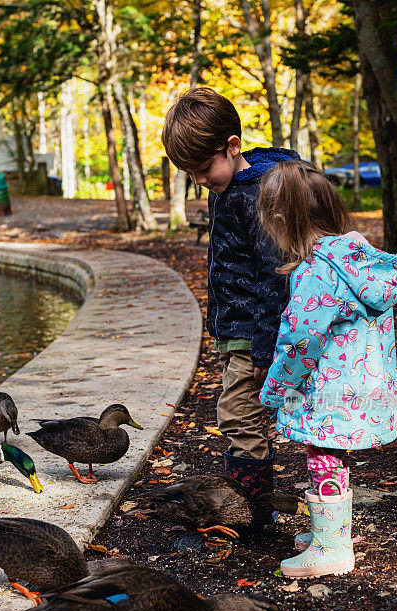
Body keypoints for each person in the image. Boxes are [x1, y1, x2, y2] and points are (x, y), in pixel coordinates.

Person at [257, 160, 397, 578]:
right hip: (361, 383)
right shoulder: (359, 262)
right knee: (330, 455)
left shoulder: (317, 272)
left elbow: (300, 340)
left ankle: (332, 548)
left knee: (321, 457)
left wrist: (276, 387)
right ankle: (330, 532)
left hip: (328, 388)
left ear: (283, 219)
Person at [161, 87, 299, 497]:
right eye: (190, 174)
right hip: (237, 325)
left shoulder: (256, 193)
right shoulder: (231, 186)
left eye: (203, 169)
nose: (200, 181)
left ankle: (251, 507)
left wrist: (263, 346)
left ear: (232, 146)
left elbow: (274, 274)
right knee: (242, 412)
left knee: (238, 414)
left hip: (254, 330)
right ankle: (255, 501)